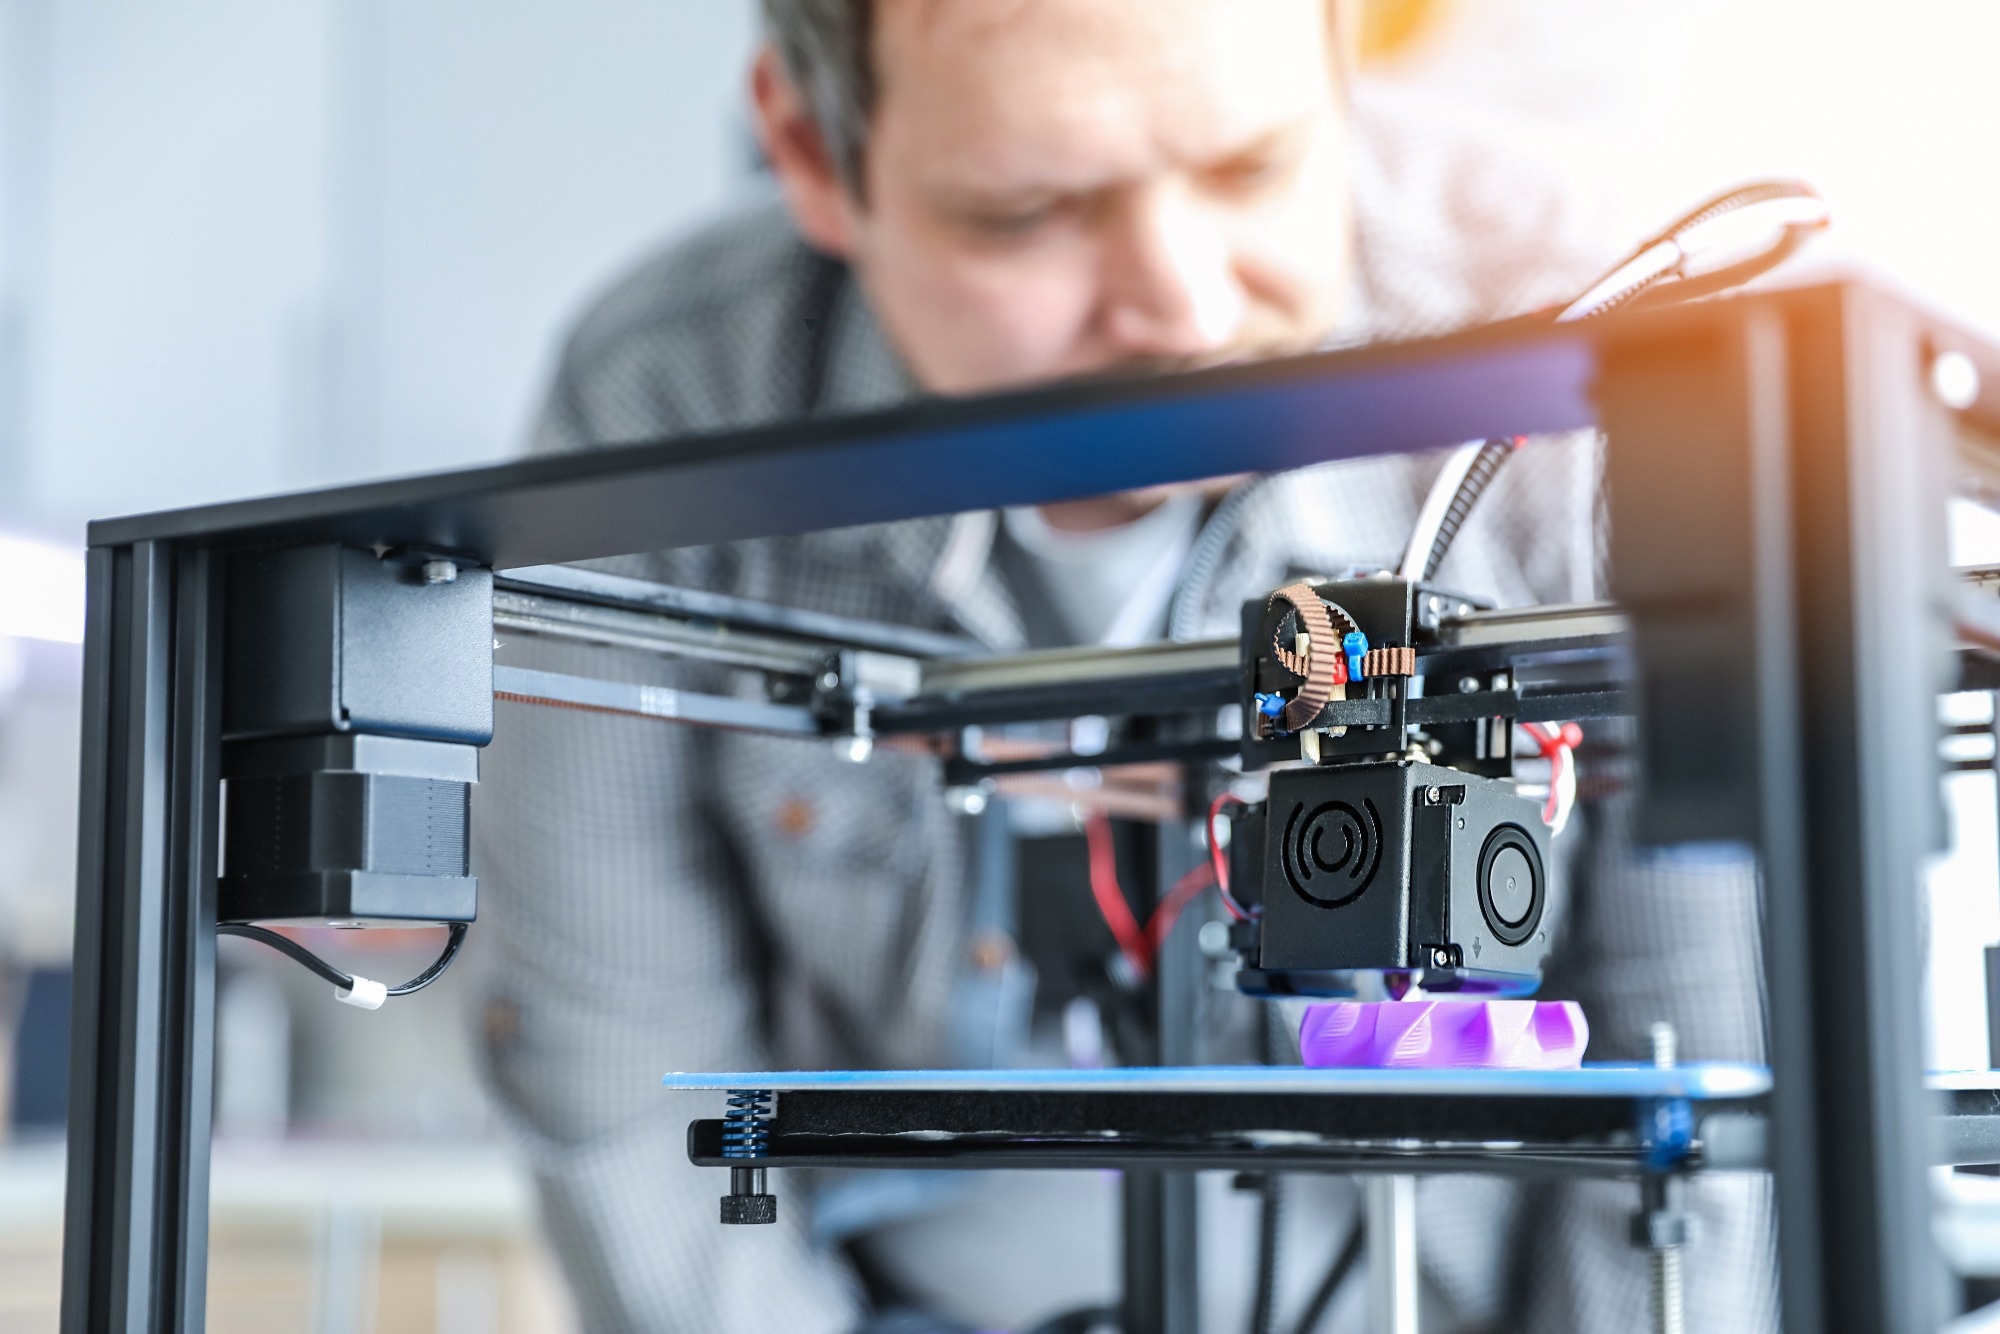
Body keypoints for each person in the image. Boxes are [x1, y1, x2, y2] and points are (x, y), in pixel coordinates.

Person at [474, 1, 1774, 1330]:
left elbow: (1719, 1076)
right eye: (1031, 210)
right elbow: (613, 1075)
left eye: (1251, 168)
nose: (1184, 306)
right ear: (811, 154)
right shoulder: (670, 399)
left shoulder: (1594, 339)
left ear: (1338, 51)